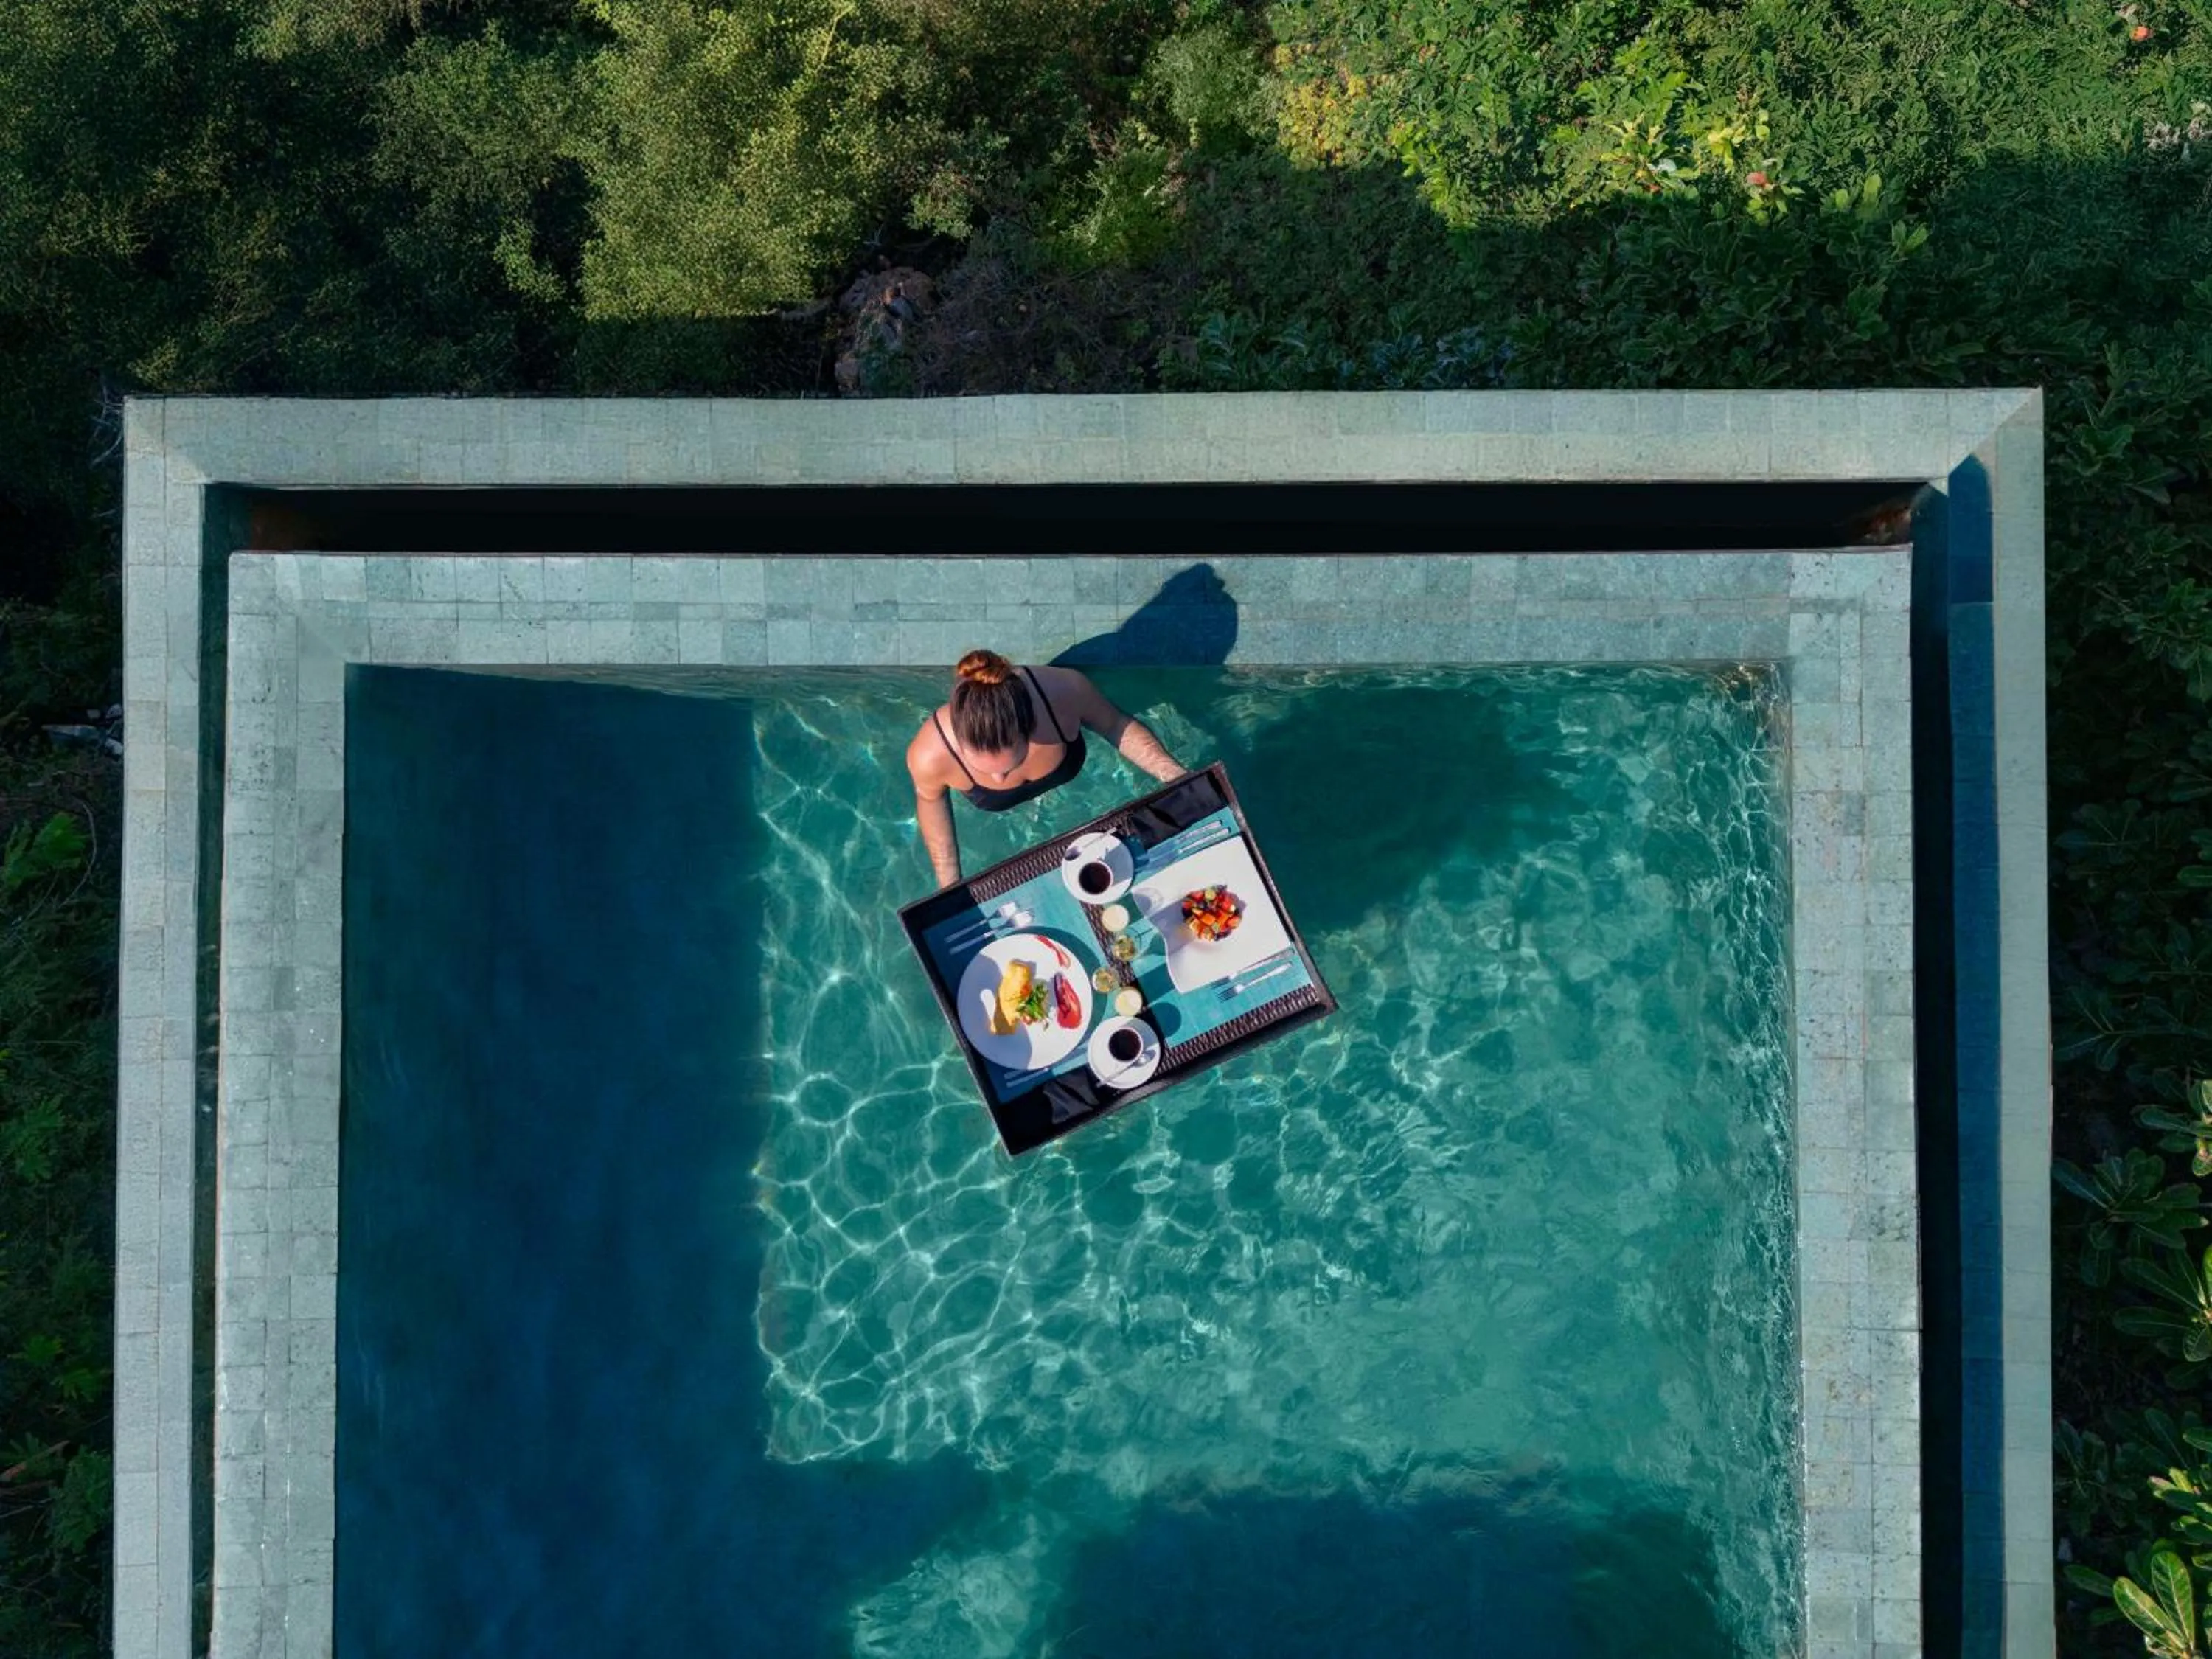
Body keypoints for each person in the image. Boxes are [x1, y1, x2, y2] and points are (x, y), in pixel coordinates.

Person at [906, 649, 1186, 888]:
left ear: (1030, 727)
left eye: (1009, 764)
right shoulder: (930, 755)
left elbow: (1113, 724)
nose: (1000, 778)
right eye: (986, 770)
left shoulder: (1063, 691)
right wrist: (951, 884)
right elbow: (931, 799)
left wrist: (1176, 778)